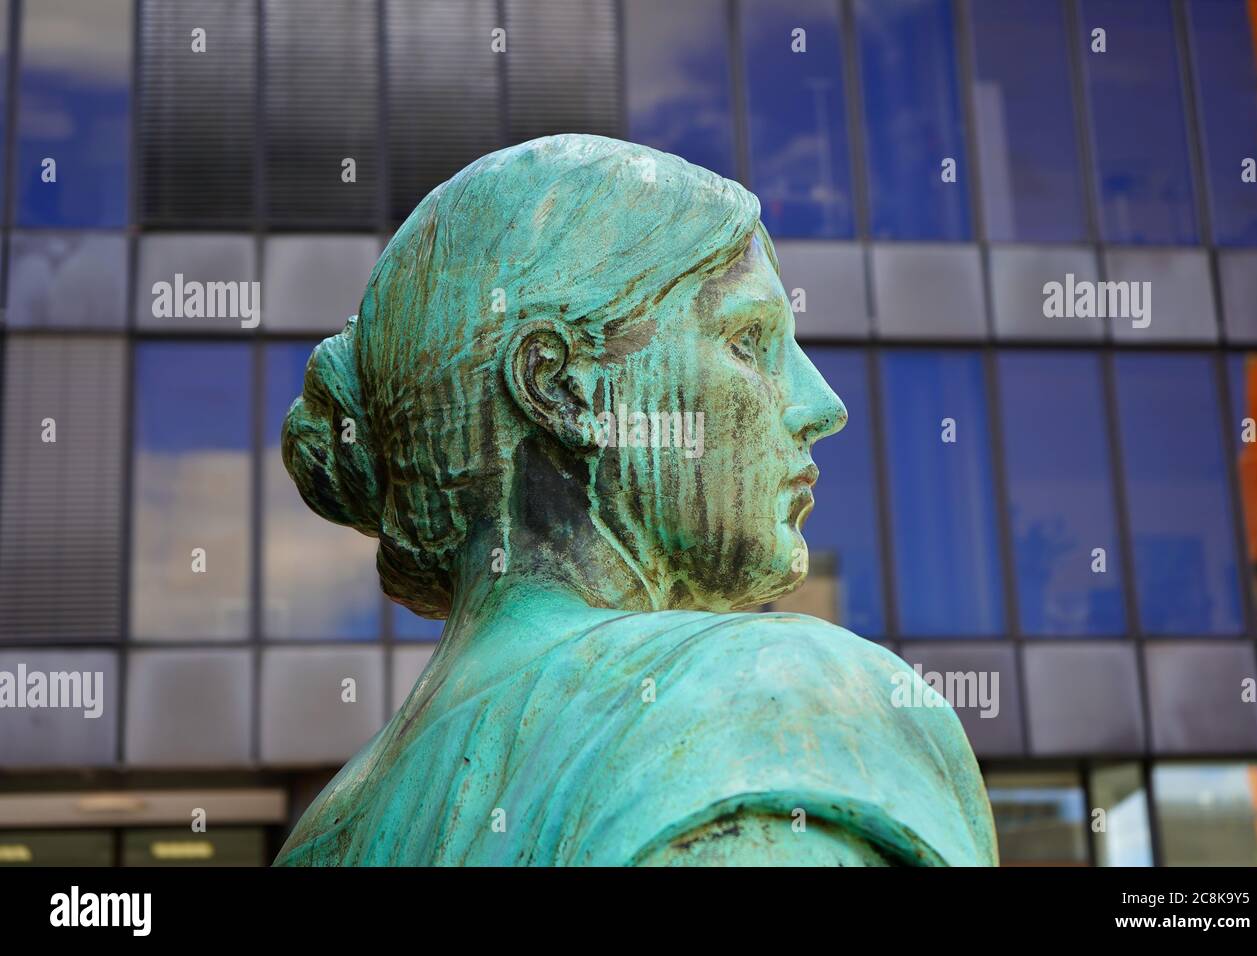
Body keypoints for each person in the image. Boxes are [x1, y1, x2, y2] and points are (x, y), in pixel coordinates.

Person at [274, 134, 996, 866]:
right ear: (559, 386)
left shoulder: (321, 836)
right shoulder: (770, 705)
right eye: (749, 339)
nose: (823, 405)